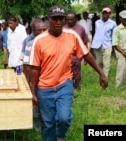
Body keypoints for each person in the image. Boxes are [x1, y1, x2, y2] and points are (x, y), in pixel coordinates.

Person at [28, 6, 108, 141]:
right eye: (55, 19)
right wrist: (33, 92)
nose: (58, 22)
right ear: (49, 20)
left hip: (64, 84)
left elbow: (86, 55)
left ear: (65, 20)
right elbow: (34, 68)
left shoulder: (72, 36)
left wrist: (101, 73)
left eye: (61, 19)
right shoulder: (39, 41)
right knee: (47, 123)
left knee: (64, 118)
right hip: (44, 87)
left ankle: (60, 136)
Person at [64, 12, 89, 90]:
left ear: (75, 19)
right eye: (68, 20)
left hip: (77, 55)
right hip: (65, 55)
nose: (70, 21)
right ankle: (66, 87)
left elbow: (85, 42)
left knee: (77, 72)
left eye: (71, 19)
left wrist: (86, 57)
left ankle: (77, 87)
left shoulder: (80, 28)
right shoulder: (63, 28)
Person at [91, 7, 117, 78]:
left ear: (109, 14)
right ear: (102, 13)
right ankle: (100, 75)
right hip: (97, 45)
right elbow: (96, 32)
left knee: (106, 63)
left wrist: (113, 44)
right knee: (99, 62)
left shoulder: (113, 23)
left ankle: (105, 78)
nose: (105, 14)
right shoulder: (97, 22)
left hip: (107, 45)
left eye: (107, 13)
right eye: (104, 13)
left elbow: (114, 34)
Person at [112, 10, 126, 88]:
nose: (125, 20)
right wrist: (123, 52)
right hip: (121, 52)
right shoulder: (117, 29)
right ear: (120, 18)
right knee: (121, 69)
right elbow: (115, 44)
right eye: (124, 18)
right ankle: (119, 86)